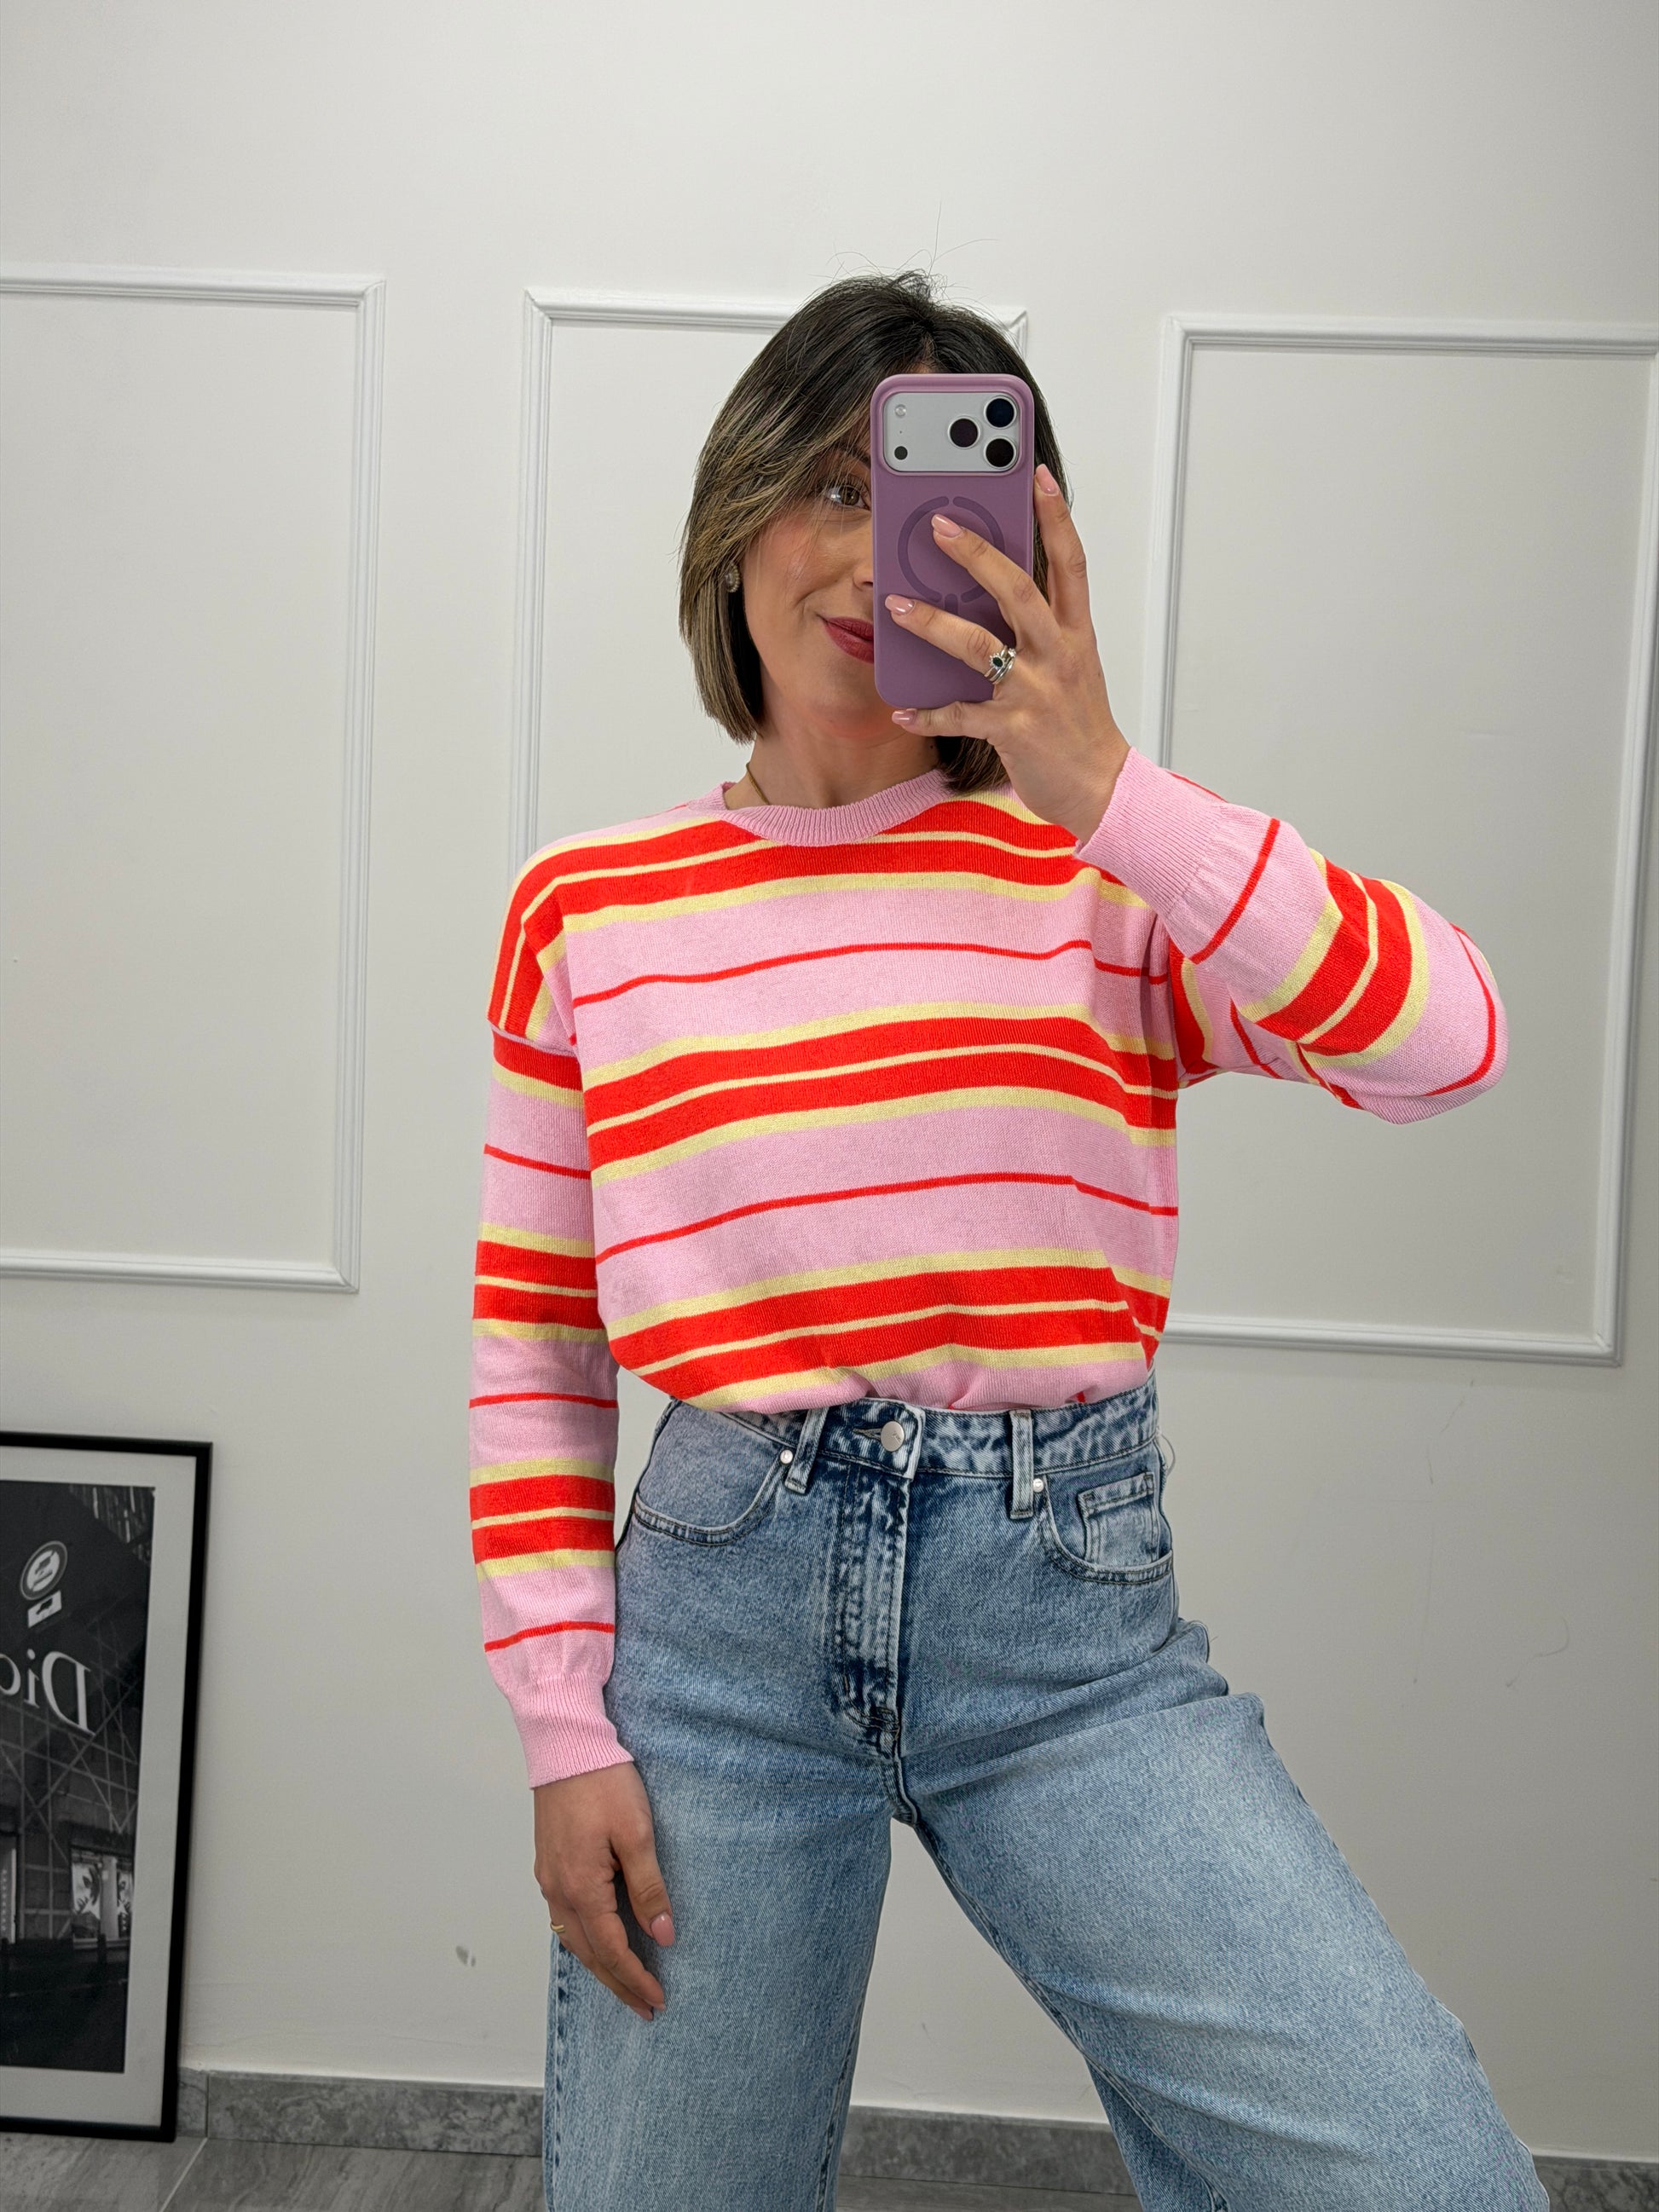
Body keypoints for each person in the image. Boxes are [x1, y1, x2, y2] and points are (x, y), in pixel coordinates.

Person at [467, 272, 1546, 2211]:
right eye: (826, 484)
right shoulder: (591, 908)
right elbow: (538, 1348)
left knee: (1423, 2177)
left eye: (929, 499)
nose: (864, 551)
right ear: (733, 519)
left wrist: (1111, 787)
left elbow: (1448, 1040)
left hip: (1068, 1646)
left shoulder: (1106, 874)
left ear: (1023, 547)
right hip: (712, 1653)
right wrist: (562, 1723)